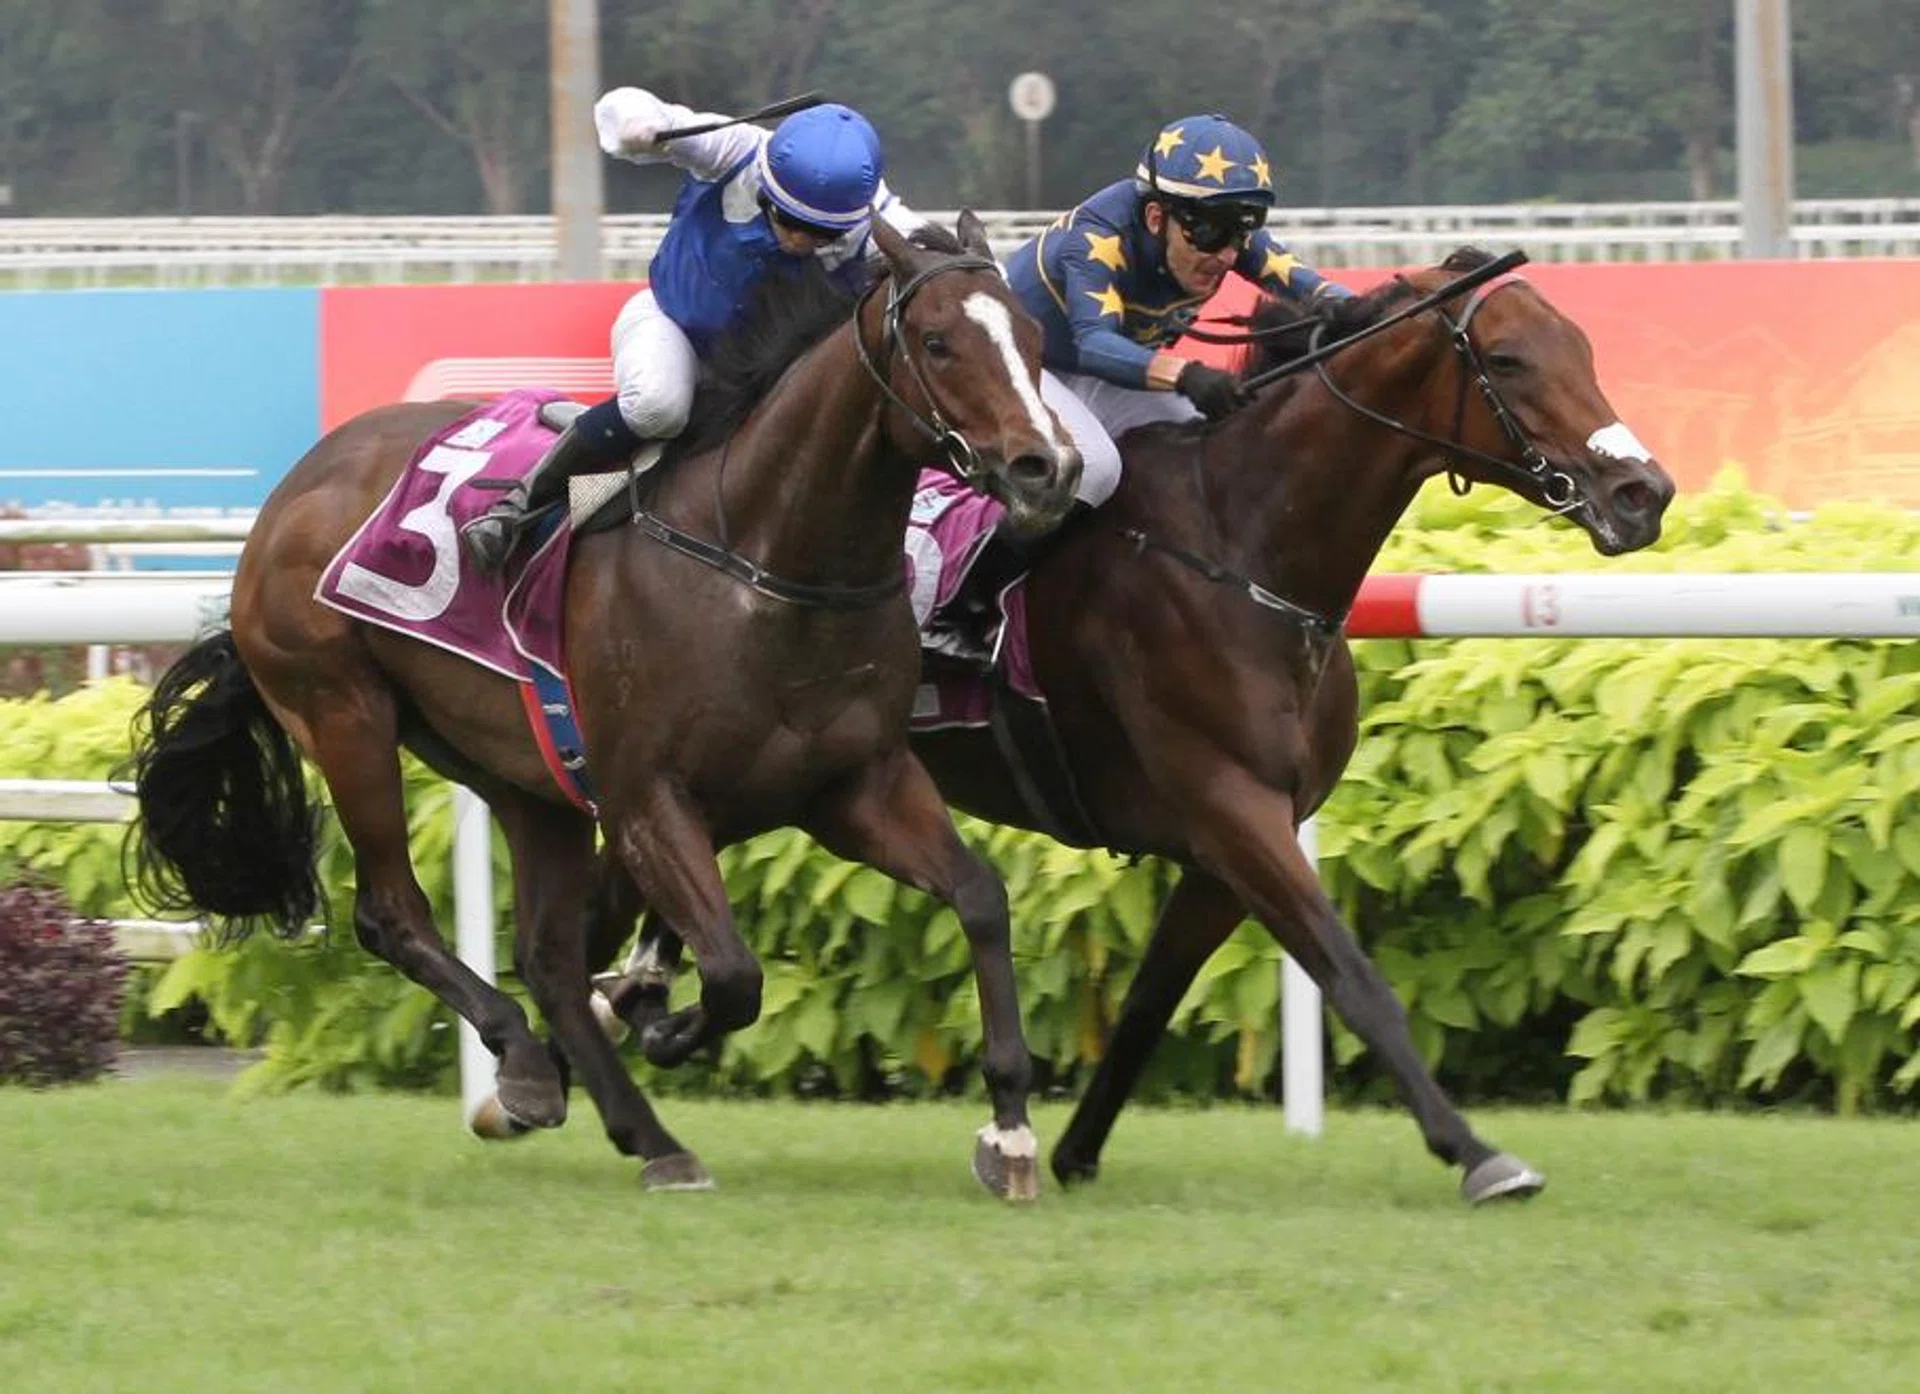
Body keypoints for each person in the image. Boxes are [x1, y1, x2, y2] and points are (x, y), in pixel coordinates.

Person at [926, 113, 1352, 665]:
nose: (1225, 254)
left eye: (1241, 232)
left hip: (1102, 370)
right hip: (1026, 366)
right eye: (1211, 233)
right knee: (1096, 469)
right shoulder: (1098, 240)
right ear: (1156, 215)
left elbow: (1316, 289)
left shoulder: (1216, 230)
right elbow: (1096, 343)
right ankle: (963, 605)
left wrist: (1385, 311)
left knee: (1200, 446)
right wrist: (1187, 375)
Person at [462, 90, 924, 572]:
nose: (798, 241)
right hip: (673, 324)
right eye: (788, 220)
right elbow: (626, 106)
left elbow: (948, 268)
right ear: (768, 184)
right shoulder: (737, 148)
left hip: (766, 374)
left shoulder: (881, 218)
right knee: (661, 408)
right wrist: (636, 127)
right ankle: (517, 508)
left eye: (821, 234)